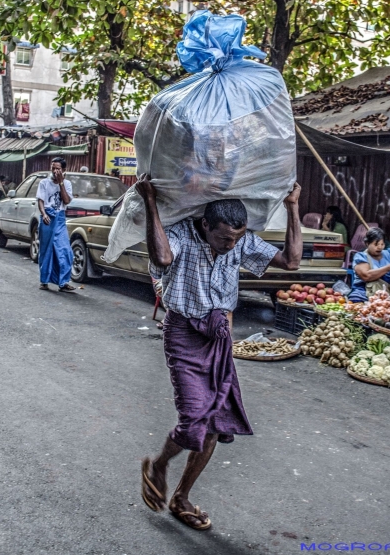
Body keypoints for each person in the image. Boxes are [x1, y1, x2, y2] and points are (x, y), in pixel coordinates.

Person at [137, 174, 303, 531]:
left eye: (237, 238)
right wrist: (150, 200)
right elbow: (163, 257)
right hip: (183, 334)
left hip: (219, 338)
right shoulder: (182, 233)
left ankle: (181, 496)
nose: (231, 245)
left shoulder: (240, 242)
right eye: (224, 238)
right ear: (205, 224)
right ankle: (160, 464)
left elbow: (291, 262)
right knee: (195, 414)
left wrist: (292, 207)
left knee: (214, 423)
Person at [36, 157, 76, 292]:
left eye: (57, 168)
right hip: (47, 217)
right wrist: (44, 214)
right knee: (46, 250)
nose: (54, 171)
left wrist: (61, 184)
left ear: (64, 170)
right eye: (52, 168)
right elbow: (40, 201)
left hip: (59, 218)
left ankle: (63, 282)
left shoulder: (67, 184)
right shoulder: (44, 183)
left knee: (65, 250)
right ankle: (44, 281)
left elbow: (66, 200)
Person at [348, 227, 390, 302]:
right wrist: (389, 268)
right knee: (356, 299)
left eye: (382, 244)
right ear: (367, 243)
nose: (380, 247)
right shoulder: (361, 256)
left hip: (389, 291)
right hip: (365, 290)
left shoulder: (389, 254)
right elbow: (366, 276)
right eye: (376, 244)